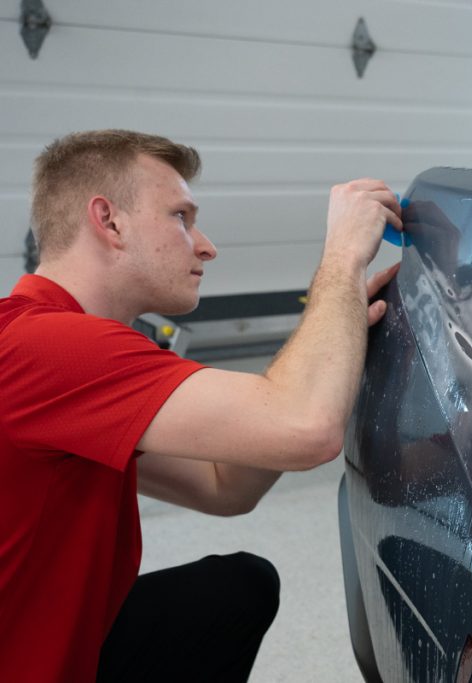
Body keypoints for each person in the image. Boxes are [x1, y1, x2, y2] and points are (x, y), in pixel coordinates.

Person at [0, 130, 402, 682]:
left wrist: (342, 334)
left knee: (235, 591)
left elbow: (223, 486)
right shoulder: (49, 348)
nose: (206, 245)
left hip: (61, 637)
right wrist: (343, 257)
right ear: (108, 221)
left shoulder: (45, 344)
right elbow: (307, 429)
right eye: (181, 217)